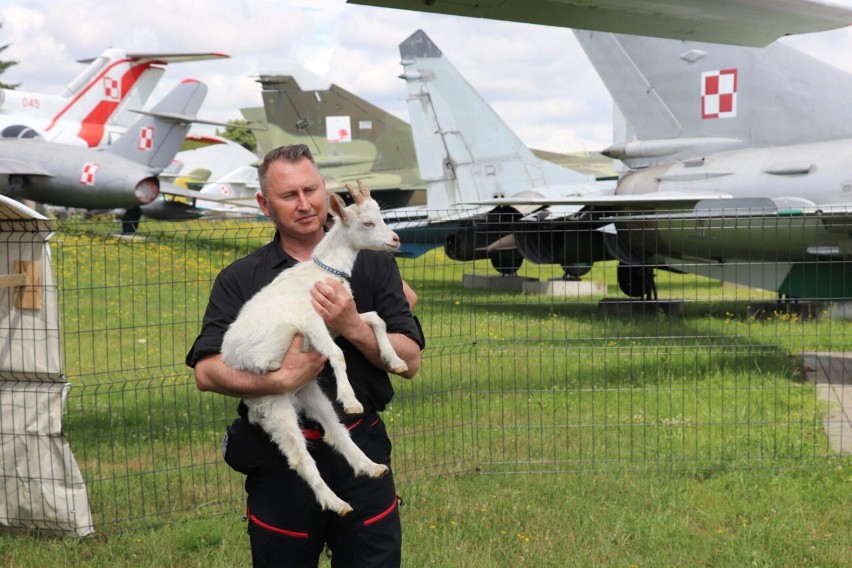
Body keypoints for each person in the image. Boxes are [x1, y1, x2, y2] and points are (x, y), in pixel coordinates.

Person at [186, 144, 424, 567]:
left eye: (311, 190)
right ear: (264, 204)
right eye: (288, 195)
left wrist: (352, 324)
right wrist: (277, 382)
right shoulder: (242, 278)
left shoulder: (373, 264)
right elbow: (206, 371)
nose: (304, 204)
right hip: (280, 461)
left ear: (327, 192)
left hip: (359, 443)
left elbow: (410, 361)